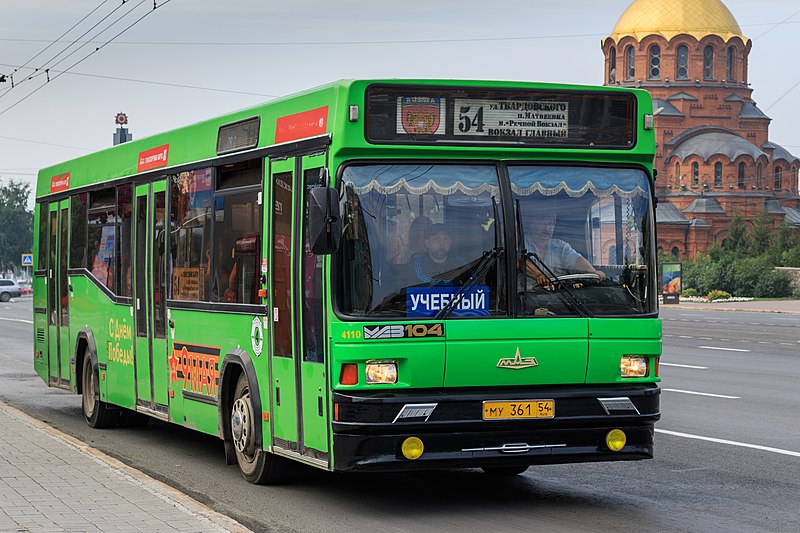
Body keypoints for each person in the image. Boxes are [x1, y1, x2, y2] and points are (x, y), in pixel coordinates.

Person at [522, 210, 605, 288]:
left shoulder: (560, 246)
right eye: (542, 223)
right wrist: (538, 275)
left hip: (558, 298)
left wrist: (592, 272)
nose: (547, 228)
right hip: (525, 298)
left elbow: (576, 259)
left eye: (550, 223)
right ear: (531, 223)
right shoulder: (520, 243)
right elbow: (520, 262)